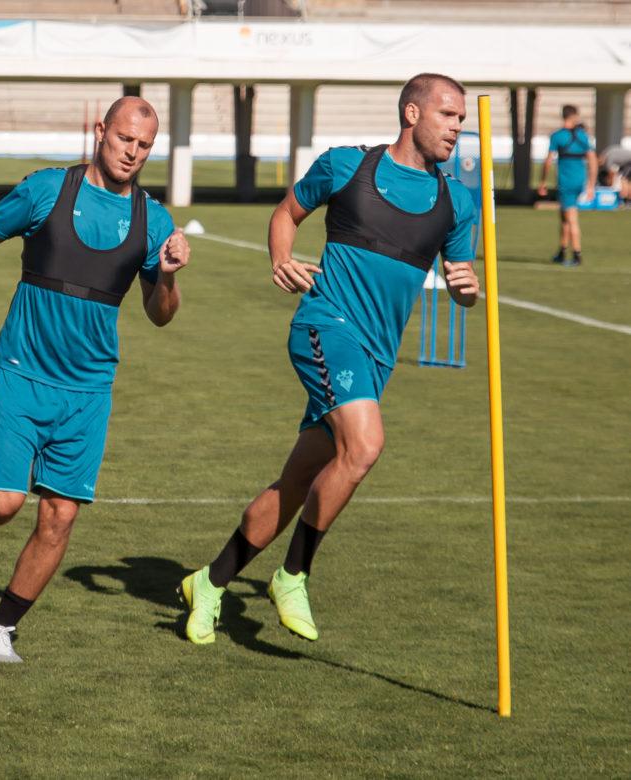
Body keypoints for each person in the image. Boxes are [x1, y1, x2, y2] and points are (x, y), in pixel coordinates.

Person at [178, 73, 479, 647]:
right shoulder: (347, 167)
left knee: (296, 484)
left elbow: (461, 282)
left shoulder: (454, 202)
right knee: (364, 447)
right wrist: (280, 259)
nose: (457, 129)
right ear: (412, 115)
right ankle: (293, 575)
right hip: (325, 327)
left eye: (462, 119)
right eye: (447, 115)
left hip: (376, 356)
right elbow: (286, 214)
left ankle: (209, 582)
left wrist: (468, 289)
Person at [0, 97, 190, 664]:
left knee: (61, 513)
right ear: (101, 132)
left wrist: (167, 277)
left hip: (89, 387)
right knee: (1, 503)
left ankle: (2, 625)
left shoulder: (155, 220)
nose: (133, 152)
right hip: (23, 370)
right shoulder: (48, 189)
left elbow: (161, 313)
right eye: (125, 139)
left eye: (145, 145)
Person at [538, 105, 597, 266]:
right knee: (564, 217)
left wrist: (543, 181)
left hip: (566, 182)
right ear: (574, 116)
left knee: (571, 218)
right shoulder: (583, 136)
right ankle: (562, 251)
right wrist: (591, 184)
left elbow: (548, 162)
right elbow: (592, 161)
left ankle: (577, 254)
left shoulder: (557, 136)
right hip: (580, 181)